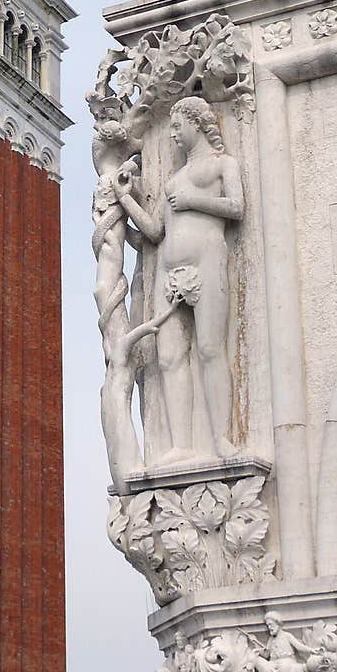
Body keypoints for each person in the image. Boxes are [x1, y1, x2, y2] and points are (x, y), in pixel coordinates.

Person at [114, 96, 244, 462]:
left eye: (176, 126)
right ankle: (181, 446)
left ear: (196, 123)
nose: (172, 134)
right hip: (169, 274)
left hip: (208, 261)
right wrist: (126, 200)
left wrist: (192, 202)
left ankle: (221, 439)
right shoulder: (175, 179)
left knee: (210, 349)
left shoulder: (223, 165)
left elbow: (237, 207)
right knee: (169, 356)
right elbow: (155, 231)